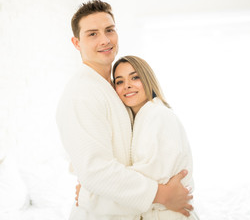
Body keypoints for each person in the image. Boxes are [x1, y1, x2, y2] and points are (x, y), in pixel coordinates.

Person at [56, 0, 193, 219]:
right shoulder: (82, 93)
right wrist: (161, 194)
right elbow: (95, 170)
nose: (105, 40)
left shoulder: (112, 89)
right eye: (92, 34)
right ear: (76, 43)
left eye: (109, 30)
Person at [76, 55, 200, 219]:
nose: (127, 85)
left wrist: (90, 196)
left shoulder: (159, 117)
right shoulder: (137, 121)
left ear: (148, 79)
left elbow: (143, 188)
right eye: (119, 81)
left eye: (135, 77)